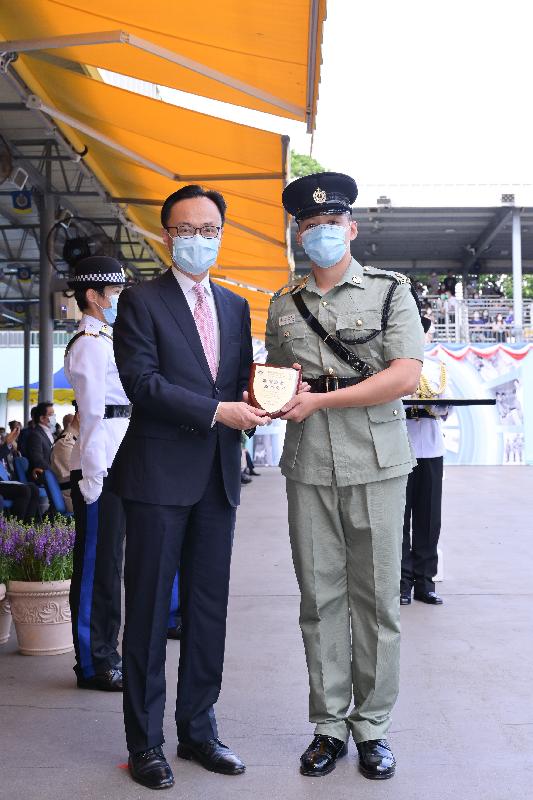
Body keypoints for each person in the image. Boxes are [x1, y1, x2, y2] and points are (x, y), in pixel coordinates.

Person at [265, 172, 424, 781]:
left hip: (377, 465)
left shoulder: (390, 292)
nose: (322, 234)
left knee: (378, 600)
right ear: (298, 237)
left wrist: (319, 403)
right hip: (307, 466)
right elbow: (280, 381)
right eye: (310, 226)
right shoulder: (283, 305)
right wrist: (267, 400)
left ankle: (374, 728)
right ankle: (328, 726)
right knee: (319, 599)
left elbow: (405, 376)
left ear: (351, 229)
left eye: (332, 224)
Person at [113, 184, 271, 790]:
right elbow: (142, 384)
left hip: (218, 479)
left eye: (210, 229)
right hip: (157, 477)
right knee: (149, 612)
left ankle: (199, 730)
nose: (200, 239)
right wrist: (216, 413)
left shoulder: (234, 306)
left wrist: (261, 402)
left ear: (221, 234)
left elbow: (239, 382)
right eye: (187, 229)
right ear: (166, 235)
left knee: (208, 612)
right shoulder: (141, 302)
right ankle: (145, 743)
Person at [64, 256, 130, 693]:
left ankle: (108, 651)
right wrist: (92, 475)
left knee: (112, 565)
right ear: (93, 296)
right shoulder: (89, 342)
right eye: (115, 293)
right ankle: (92, 661)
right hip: (100, 464)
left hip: (119, 456)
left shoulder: (107, 337)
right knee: (95, 568)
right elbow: (90, 413)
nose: (119, 300)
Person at [401, 333, 447, 606]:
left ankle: (425, 583)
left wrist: (433, 404)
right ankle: (402, 583)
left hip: (430, 447)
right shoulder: (393, 366)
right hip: (400, 445)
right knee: (399, 519)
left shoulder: (435, 367)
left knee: (428, 519)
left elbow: (446, 407)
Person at [0, 426, 40, 522]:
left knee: (33, 488)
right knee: (24, 490)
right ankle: (16, 527)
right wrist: (7, 444)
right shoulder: (4, 448)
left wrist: (9, 444)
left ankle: (27, 526)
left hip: (6, 482)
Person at [50, 413, 79, 513]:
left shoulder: (75, 439)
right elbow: (73, 477)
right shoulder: (65, 443)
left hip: (79, 493)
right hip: (73, 498)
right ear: (79, 417)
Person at [26, 401, 56, 480]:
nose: (54, 417)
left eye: (54, 414)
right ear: (42, 418)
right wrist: (56, 472)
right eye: (51, 415)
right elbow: (38, 461)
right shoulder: (35, 435)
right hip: (42, 477)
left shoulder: (50, 433)